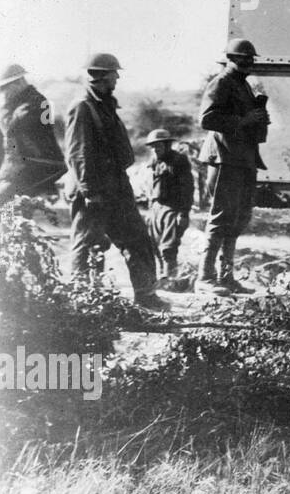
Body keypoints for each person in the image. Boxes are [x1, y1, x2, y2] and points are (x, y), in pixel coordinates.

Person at [65, 53, 167, 311]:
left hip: (117, 188)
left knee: (138, 240)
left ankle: (146, 296)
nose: (118, 77)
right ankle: (82, 301)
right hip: (94, 191)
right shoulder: (82, 107)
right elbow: (78, 154)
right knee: (89, 246)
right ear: (100, 75)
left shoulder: (105, 105)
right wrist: (90, 191)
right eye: (114, 73)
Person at [198, 38, 268, 295]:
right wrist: (244, 119)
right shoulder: (222, 83)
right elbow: (207, 119)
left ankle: (226, 276)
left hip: (242, 158)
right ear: (230, 59)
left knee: (238, 218)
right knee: (221, 218)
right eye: (242, 59)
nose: (248, 63)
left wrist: (258, 120)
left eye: (250, 59)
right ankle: (205, 278)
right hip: (225, 157)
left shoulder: (243, 86)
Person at [0, 63, 66, 206]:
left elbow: (14, 128)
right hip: (18, 166)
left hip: (36, 165)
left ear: (19, 83)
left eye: (5, 88)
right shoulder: (16, 104)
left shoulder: (38, 102)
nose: (4, 93)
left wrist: (5, 113)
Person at [142, 128, 193, 284]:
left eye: (159, 146)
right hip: (155, 207)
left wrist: (183, 213)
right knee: (153, 244)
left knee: (169, 246)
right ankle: (160, 276)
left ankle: (170, 278)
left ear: (167, 145)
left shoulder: (179, 161)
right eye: (153, 147)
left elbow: (187, 188)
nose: (155, 150)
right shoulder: (154, 162)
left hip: (172, 207)